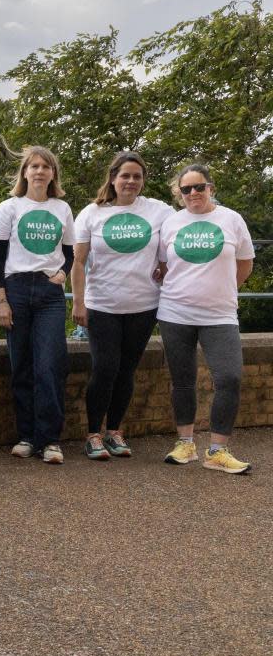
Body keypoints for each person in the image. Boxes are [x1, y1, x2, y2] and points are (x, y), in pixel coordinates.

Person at [72, 152, 173, 460]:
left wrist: (164, 265)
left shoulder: (159, 211)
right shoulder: (92, 213)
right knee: (105, 369)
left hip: (144, 305)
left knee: (127, 370)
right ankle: (93, 434)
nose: (131, 181)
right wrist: (79, 302)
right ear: (113, 178)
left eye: (137, 176)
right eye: (125, 175)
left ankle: (115, 431)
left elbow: (176, 241)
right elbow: (77, 262)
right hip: (103, 304)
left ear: (143, 181)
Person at [157, 164, 255, 474]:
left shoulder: (231, 219)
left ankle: (217, 450)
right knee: (183, 381)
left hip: (220, 314)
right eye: (186, 189)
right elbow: (162, 267)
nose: (193, 193)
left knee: (229, 378)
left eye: (199, 187)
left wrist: (223, 290)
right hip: (175, 313)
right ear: (179, 193)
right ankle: (185, 444)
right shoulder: (171, 224)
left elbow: (245, 263)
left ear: (210, 187)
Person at [0, 146, 75, 465]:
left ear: (53, 174)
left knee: (50, 364)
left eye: (45, 166)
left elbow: (69, 252)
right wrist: (1, 300)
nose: (39, 171)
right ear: (24, 172)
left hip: (49, 293)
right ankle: (27, 436)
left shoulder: (62, 208)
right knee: (22, 365)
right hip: (16, 288)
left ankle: (50, 439)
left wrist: (63, 273)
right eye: (34, 166)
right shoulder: (9, 207)